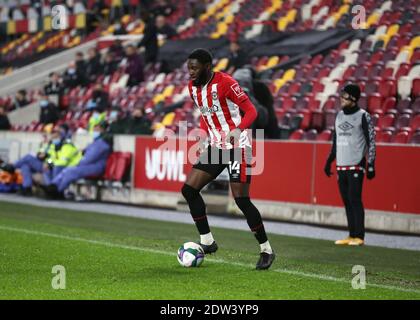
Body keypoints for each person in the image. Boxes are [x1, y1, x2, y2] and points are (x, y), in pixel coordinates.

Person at [182, 48, 275, 270]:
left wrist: (239, 129)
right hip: (217, 147)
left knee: (241, 199)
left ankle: (266, 250)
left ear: (207, 66)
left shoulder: (226, 82)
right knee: (189, 190)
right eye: (189, 68)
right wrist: (204, 135)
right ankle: (207, 242)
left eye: (195, 68)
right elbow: (207, 115)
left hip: (238, 146)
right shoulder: (192, 88)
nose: (191, 72)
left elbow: (251, 111)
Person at [324, 84, 376, 246]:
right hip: (341, 166)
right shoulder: (339, 116)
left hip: (356, 165)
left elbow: (371, 141)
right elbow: (335, 141)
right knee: (347, 201)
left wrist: (371, 164)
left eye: (345, 96)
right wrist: (329, 161)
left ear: (353, 99)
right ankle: (351, 234)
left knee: (355, 199)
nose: (341, 99)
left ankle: (359, 236)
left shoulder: (363, 116)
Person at [44, 121, 112, 199]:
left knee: (69, 171)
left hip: (95, 167)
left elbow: (88, 159)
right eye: (94, 129)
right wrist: (49, 162)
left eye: (97, 130)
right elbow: (49, 156)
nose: (94, 131)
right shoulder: (96, 142)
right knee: (65, 170)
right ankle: (53, 187)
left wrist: (77, 163)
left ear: (103, 131)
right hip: (87, 165)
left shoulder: (101, 144)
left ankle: (58, 191)